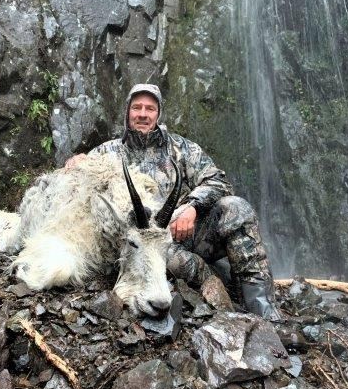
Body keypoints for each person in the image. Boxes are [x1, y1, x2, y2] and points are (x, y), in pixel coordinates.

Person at [65, 84, 280, 321]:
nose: (143, 114)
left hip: (185, 232)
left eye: (150, 108)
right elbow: (77, 185)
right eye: (137, 108)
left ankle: (265, 313)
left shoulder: (182, 149)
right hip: (141, 246)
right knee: (171, 262)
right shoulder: (106, 153)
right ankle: (217, 282)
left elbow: (218, 181)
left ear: (158, 114)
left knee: (236, 208)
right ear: (128, 112)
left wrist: (192, 207)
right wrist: (75, 164)